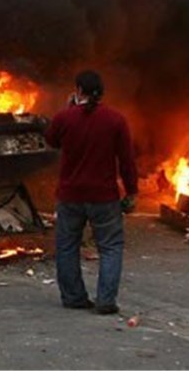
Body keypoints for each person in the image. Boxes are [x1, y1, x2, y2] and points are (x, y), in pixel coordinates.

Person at [45, 70, 138, 315]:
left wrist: (68, 109)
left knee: (67, 246)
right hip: (104, 197)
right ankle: (106, 300)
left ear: (78, 91)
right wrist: (131, 192)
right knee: (110, 246)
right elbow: (127, 160)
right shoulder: (116, 120)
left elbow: (51, 141)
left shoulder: (64, 118)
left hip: (70, 196)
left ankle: (74, 297)